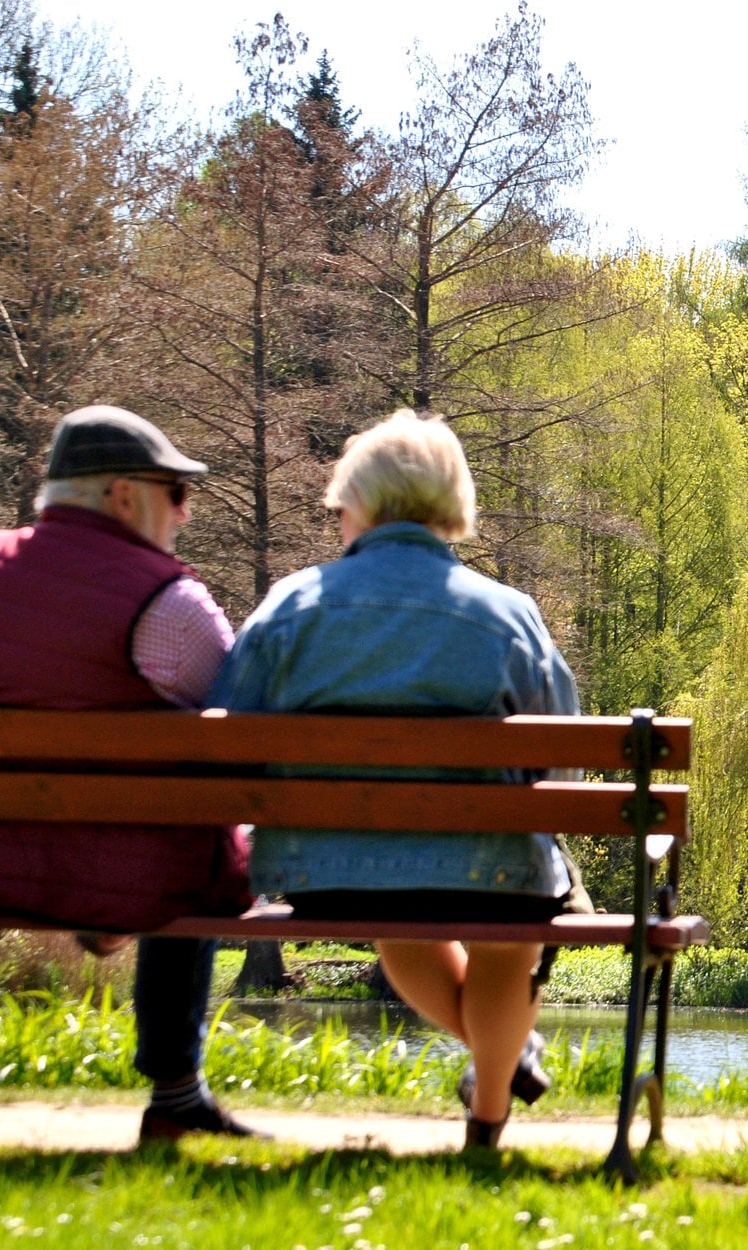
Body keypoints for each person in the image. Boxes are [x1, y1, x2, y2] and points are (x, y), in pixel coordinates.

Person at [208, 409, 590, 1149]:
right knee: (509, 936)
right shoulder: (507, 614)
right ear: (452, 502)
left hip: (330, 872)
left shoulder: (292, 604)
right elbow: (561, 764)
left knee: (398, 915)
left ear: (356, 504)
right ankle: (488, 1117)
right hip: (491, 871)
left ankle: (501, 1057)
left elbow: (228, 735)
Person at [0, 405, 259, 1143]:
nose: (184, 513)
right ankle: (176, 1093)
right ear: (125, 495)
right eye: (177, 493)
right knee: (199, 835)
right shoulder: (169, 603)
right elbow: (239, 727)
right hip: (129, 876)